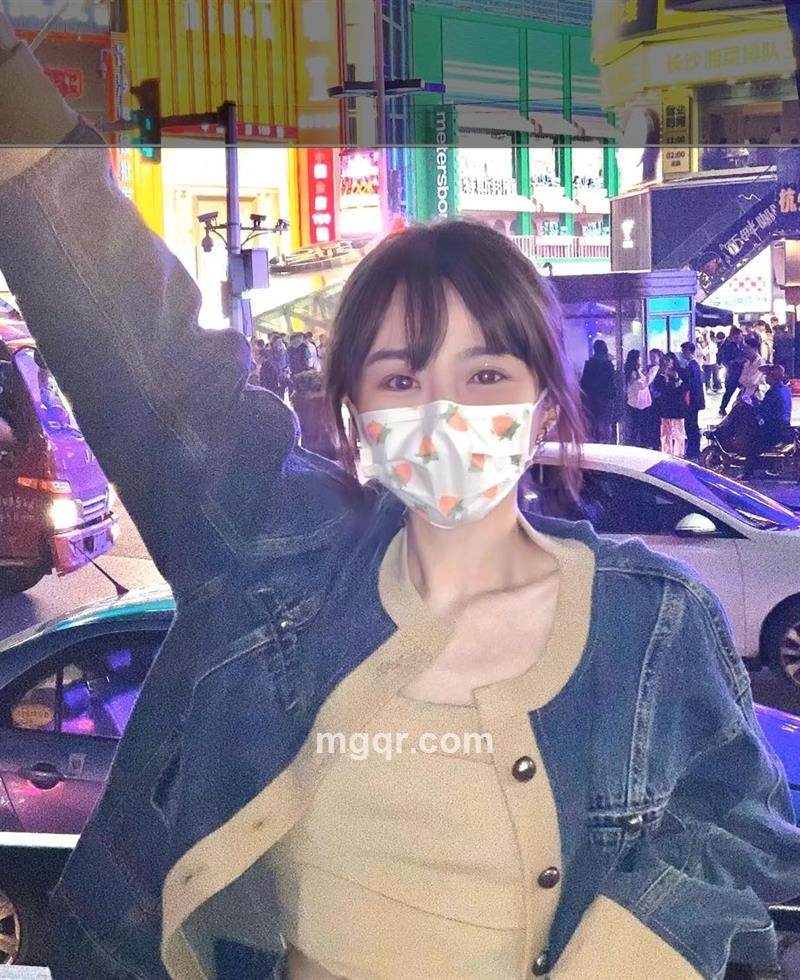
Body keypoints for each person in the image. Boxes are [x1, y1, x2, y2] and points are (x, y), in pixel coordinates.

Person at [1, 25, 798, 980]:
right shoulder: (274, 550)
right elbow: (146, 349)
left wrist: (628, 956)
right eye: (401, 377)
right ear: (354, 411)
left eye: (486, 374)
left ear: (545, 406)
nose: (444, 413)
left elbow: (740, 824)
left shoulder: (655, 620)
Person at [743, 364, 794, 478]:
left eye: (767, 375)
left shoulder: (774, 392)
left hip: (774, 428)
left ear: (772, 377)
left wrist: (752, 402)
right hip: (783, 425)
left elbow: (764, 410)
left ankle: (747, 474)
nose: (765, 378)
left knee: (752, 444)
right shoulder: (785, 389)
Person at [579, 339, 616, 443]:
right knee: (604, 423)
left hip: (590, 398)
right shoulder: (608, 366)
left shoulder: (589, 364)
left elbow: (584, 382)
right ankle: (604, 442)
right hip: (605, 399)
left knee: (592, 423)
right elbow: (611, 383)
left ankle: (593, 442)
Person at [652, 352, 688, 457]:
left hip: (677, 406)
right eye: (665, 361)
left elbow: (683, 388)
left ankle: (679, 454)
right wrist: (665, 378)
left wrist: (676, 379)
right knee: (665, 432)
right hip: (665, 406)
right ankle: (666, 452)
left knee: (678, 432)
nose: (667, 363)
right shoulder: (660, 375)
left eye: (669, 360)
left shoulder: (679, 373)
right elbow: (659, 389)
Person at [623, 349, 658, 448]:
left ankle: (639, 444)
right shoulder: (633, 373)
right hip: (637, 403)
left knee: (639, 427)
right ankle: (639, 445)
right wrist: (651, 372)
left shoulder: (637, 371)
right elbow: (642, 385)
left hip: (639, 403)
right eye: (639, 357)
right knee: (638, 427)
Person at [679, 341, 705, 461]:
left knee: (691, 425)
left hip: (692, 400)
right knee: (691, 425)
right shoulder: (693, 365)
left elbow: (692, 383)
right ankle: (692, 450)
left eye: (684, 351)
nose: (683, 354)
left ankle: (693, 451)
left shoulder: (693, 365)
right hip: (693, 400)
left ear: (690, 351)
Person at [717, 326, 746, 415]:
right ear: (732, 336)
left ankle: (742, 408)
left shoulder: (742, 345)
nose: (739, 339)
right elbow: (724, 360)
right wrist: (735, 361)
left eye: (741, 337)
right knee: (729, 392)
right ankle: (722, 408)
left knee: (745, 391)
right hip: (732, 373)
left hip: (742, 372)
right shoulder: (727, 346)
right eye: (737, 337)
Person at [259, 332, 291, 399]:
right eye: (277, 343)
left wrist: (286, 371)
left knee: (280, 398)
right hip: (270, 380)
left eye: (280, 343)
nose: (279, 344)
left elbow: (287, 364)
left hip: (281, 380)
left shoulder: (284, 353)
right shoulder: (267, 353)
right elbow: (263, 368)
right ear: (272, 344)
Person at [738, 334, 766, 404]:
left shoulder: (761, 363)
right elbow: (741, 380)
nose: (745, 351)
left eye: (747, 348)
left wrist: (746, 381)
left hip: (757, 396)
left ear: (755, 349)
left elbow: (753, 381)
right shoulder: (747, 363)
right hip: (746, 394)